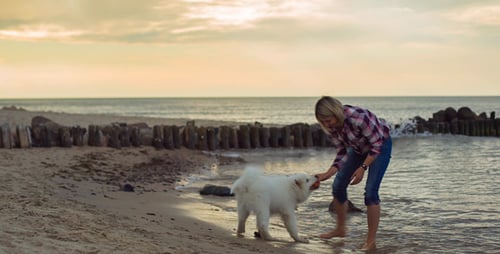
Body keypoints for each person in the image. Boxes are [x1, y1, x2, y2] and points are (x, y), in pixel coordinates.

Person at [314, 96, 392, 251]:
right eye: (323, 122)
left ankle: (370, 241)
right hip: (357, 148)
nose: (326, 125)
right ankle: (340, 229)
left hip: (380, 145)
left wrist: (363, 168)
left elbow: (376, 145)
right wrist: (327, 173)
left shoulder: (359, 117)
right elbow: (342, 152)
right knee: (338, 186)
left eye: (328, 120)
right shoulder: (330, 127)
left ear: (336, 113)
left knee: (370, 192)